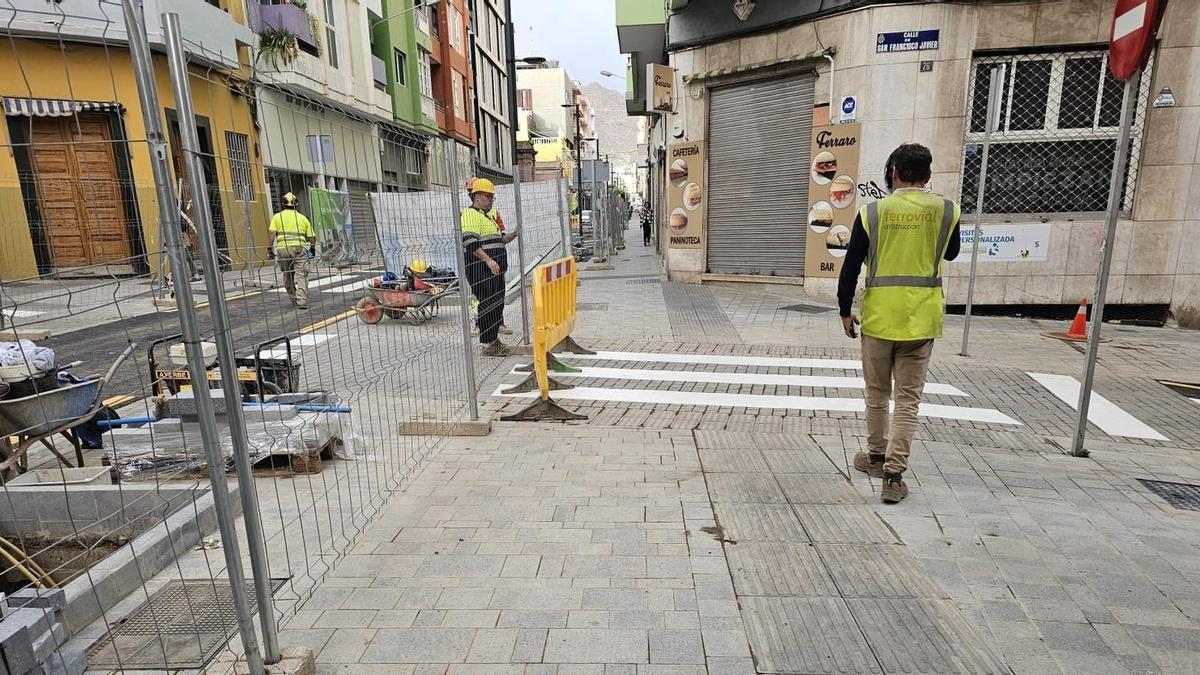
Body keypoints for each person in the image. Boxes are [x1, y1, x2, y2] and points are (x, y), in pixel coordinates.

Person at [838, 143, 961, 504]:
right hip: (921, 321)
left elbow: (850, 268)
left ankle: (876, 457)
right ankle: (893, 477)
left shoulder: (872, 213)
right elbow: (952, 252)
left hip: (879, 318)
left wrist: (845, 310)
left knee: (877, 394)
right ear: (928, 175)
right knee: (908, 401)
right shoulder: (947, 210)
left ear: (893, 173)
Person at [461, 178, 518, 356]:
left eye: (492, 197)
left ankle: (493, 340)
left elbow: (499, 241)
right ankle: (488, 343)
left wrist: (513, 235)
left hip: (494, 269)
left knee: (496, 303)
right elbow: (470, 241)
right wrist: (488, 260)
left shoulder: (488, 216)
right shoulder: (470, 214)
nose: (491, 200)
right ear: (477, 196)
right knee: (487, 303)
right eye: (488, 196)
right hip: (480, 268)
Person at [268, 191, 316, 309]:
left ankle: (293, 298)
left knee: (287, 274)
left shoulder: (277, 217)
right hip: (299, 249)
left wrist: (270, 248)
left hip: (283, 249)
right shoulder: (302, 218)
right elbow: (312, 237)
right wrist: (312, 250)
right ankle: (302, 301)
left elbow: (272, 233)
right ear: (296, 204)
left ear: (283, 204)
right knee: (302, 275)